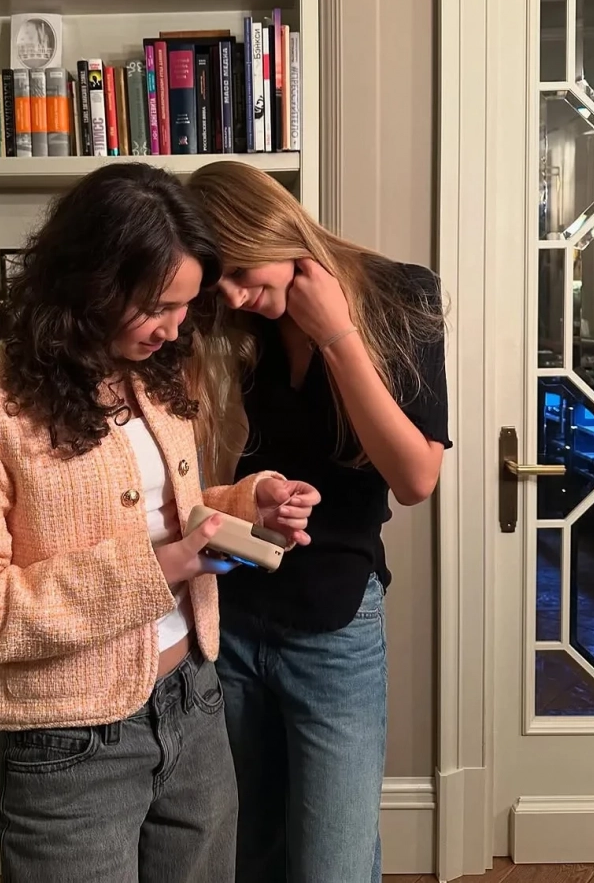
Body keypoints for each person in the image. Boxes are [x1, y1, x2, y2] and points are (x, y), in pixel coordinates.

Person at [0, 163, 321, 883]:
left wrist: (243, 506)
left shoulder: (150, 375)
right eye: (159, 306)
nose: (175, 329)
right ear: (90, 286)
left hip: (194, 697)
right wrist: (162, 567)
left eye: (186, 307)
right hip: (67, 739)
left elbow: (159, 514)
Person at [188, 160, 451, 883]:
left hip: (333, 622)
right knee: (251, 853)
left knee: (333, 864)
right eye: (218, 282)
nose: (233, 295)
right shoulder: (233, 320)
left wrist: (336, 336)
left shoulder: (401, 294)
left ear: (273, 230)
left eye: (240, 271)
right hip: (230, 613)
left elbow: (416, 478)